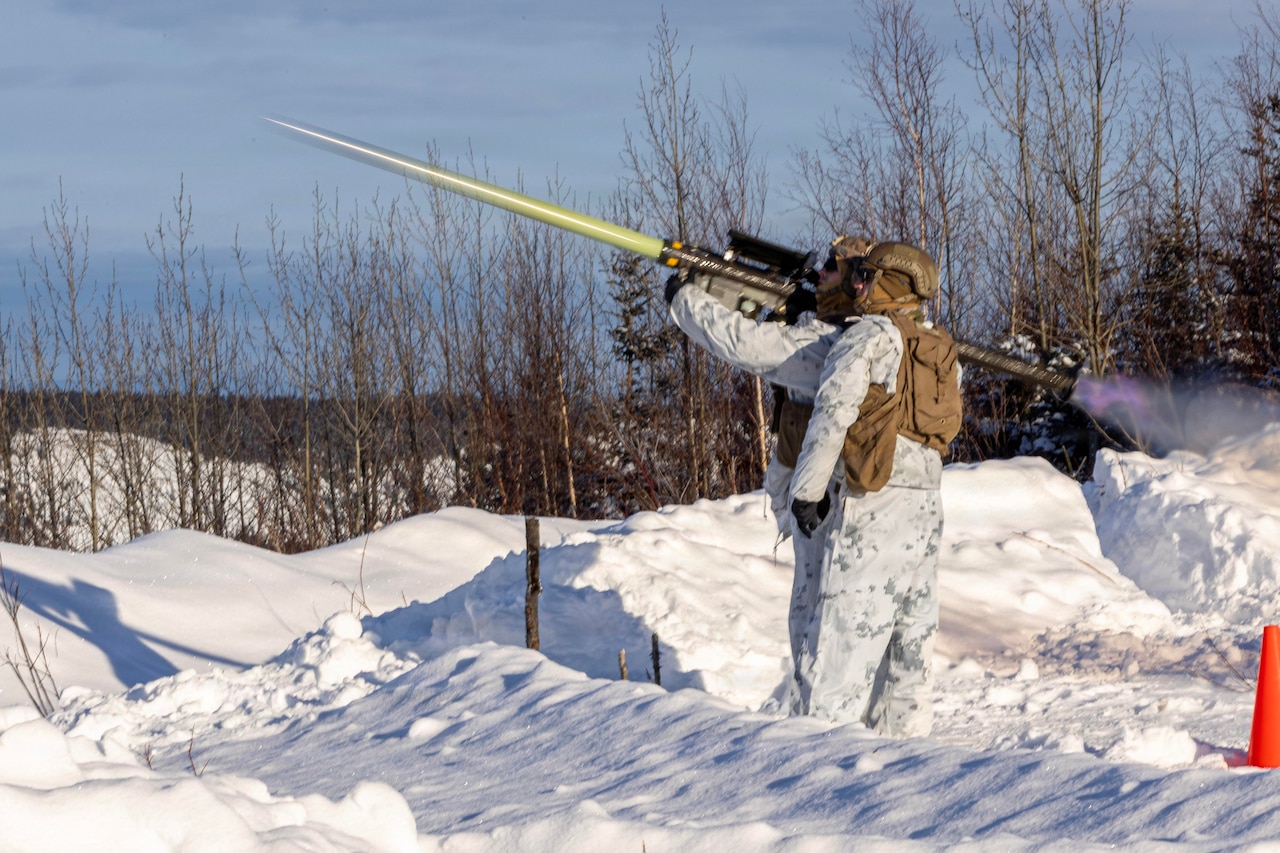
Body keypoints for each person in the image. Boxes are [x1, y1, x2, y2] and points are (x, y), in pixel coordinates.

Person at [666, 237, 961, 736]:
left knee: (831, 657)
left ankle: (817, 773)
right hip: (923, 515)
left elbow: (822, 406)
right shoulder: (937, 348)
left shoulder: (853, 340)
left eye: (847, 271)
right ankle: (908, 772)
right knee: (905, 665)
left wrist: (683, 298)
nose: (838, 277)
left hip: (864, 507)